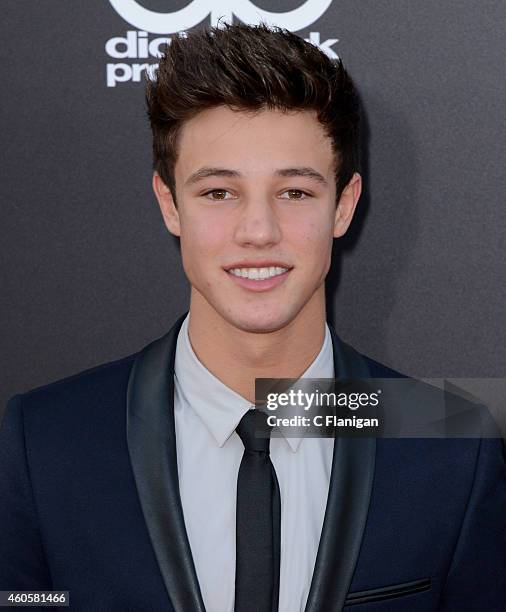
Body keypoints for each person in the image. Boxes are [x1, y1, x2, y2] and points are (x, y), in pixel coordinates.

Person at [0, 23, 504, 612]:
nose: (258, 231)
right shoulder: (48, 438)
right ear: (170, 204)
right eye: (219, 192)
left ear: (343, 205)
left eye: (294, 192)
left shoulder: (449, 439)